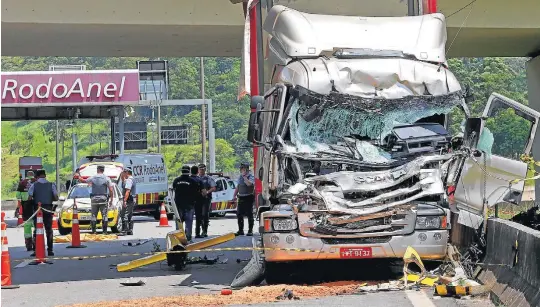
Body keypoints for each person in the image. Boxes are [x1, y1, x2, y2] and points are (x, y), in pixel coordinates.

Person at [28, 169, 58, 256]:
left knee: (37, 230)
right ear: (45, 175)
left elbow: (29, 197)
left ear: (36, 177)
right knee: (49, 230)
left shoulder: (34, 185)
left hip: (37, 210)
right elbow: (56, 197)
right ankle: (50, 250)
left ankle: (36, 250)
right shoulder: (51, 184)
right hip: (48, 208)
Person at [80, 165, 113, 234]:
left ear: (97, 170)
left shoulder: (93, 177)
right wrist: (111, 199)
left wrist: (78, 177)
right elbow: (111, 189)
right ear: (103, 170)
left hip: (94, 199)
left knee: (93, 215)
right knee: (104, 215)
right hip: (103, 199)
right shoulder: (107, 178)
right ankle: (104, 231)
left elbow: (84, 181)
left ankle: (94, 231)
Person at [172, 165, 200, 242]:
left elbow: (174, 189)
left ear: (181, 171)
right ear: (189, 171)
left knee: (179, 222)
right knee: (188, 222)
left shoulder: (176, 180)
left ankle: (179, 238)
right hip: (189, 205)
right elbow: (197, 192)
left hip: (178, 204)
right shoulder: (193, 181)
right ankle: (188, 238)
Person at [16, 171, 37, 251]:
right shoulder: (36, 182)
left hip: (26, 206)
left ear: (26, 175)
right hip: (36, 206)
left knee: (27, 225)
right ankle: (36, 244)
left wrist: (18, 208)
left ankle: (28, 245)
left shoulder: (22, 183)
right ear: (33, 175)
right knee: (37, 225)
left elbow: (18, 196)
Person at [233, 162, 255, 236]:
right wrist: (234, 196)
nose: (241, 170)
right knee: (239, 214)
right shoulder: (240, 177)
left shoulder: (251, 176)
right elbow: (238, 186)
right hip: (241, 197)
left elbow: (249, 184)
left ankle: (250, 231)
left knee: (249, 214)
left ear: (246, 169)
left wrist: (245, 176)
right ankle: (240, 230)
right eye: (241, 168)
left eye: (243, 168)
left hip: (248, 197)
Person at [198, 164, 216, 237]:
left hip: (206, 198)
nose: (202, 171)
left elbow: (214, 187)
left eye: (203, 169)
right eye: (200, 169)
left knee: (205, 214)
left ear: (205, 170)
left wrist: (207, 192)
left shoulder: (208, 178)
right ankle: (198, 232)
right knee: (199, 215)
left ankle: (204, 231)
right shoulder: (196, 178)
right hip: (198, 199)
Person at [190, 165, 204, 238]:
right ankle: (197, 233)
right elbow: (203, 191)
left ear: (191, 171)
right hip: (198, 201)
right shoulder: (199, 180)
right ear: (197, 171)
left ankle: (187, 233)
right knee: (198, 217)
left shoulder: (188, 179)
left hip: (189, 201)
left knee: (188, 218)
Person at [120, 169, 136, 235]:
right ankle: (130, 230)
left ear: (126, 173)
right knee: (129, 215)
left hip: (128, 199)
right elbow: (124, 183)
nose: (122, 174)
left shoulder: (129, 180)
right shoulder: (131, 179)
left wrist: (124, 201)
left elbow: (128, 191)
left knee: (124, 214)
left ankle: (125, 230)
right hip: (131, 199)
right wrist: (122, 176)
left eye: (123, 173)